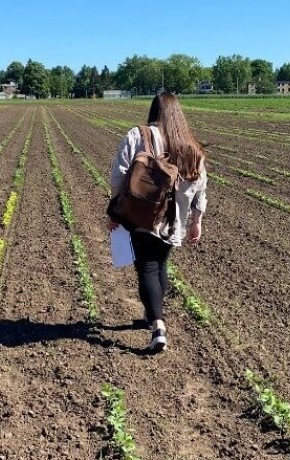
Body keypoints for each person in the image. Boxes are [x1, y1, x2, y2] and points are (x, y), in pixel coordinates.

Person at [108, 92, 208, 353]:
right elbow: (200, 188)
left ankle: (158, 326)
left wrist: (115, 211)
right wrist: (196, 220)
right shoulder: (191, 146)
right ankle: (154, 314)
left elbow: (118, 177)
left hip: (142, 214)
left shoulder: (138, 135)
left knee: (148, 268)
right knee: (160, 264)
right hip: (174, 220)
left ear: (153, 111)